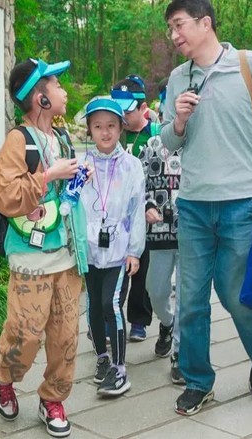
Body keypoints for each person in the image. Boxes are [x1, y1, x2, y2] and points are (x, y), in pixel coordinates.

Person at [161, 0, 252, 416]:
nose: (174, 35)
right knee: (191, 302)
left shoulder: (249, 65)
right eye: (170, 28)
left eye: (179, 24)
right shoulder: (178, 78)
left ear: (205, 23)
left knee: (237, 296)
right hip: (193, 204)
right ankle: (198, 381)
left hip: (241, 202)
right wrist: (179, 120)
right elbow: (168, 141)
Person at [0, 58, 89, 438]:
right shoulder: (19, 140)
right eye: (56, 85)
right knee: (25, 333)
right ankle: (3, 377)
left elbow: (66, 195)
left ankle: (53, 399)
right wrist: (48, 176)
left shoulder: (61, 137)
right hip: (30, 257)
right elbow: (3, 194)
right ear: (40, 98)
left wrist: (78, 175)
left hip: (67, 256)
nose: (64, 91)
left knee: (65, 338)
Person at [80, 97, 146, 396]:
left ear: (121, 128)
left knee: (111, 304)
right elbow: (72, 205)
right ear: (89, 130)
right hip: (90, 249)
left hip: (119, 249)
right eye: (97, 126)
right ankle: (102, 358)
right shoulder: (82, 165)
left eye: (110, 126)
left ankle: (120, 368)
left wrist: (135, 251)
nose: (104, 132)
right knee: (94, 305)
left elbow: (137, 210)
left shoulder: (132, 166)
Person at [139, 85, 185, 384]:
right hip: (159, 232)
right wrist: (146, 205)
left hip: (193, 230)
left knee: (187, 295)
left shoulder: (200, 142)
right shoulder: (152, 144)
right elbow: (138, 182)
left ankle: (180, 352)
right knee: (155, 291)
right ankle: (166, 322)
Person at [111, 75, 157, 342]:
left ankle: (139, 320)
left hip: (147, 212)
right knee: (117, 267)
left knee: (143, 267)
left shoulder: (156, 134)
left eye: (128, 112)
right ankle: (111, 319)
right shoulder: (113, 133)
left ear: (143, 108)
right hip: (117, 212)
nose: (123, 118)